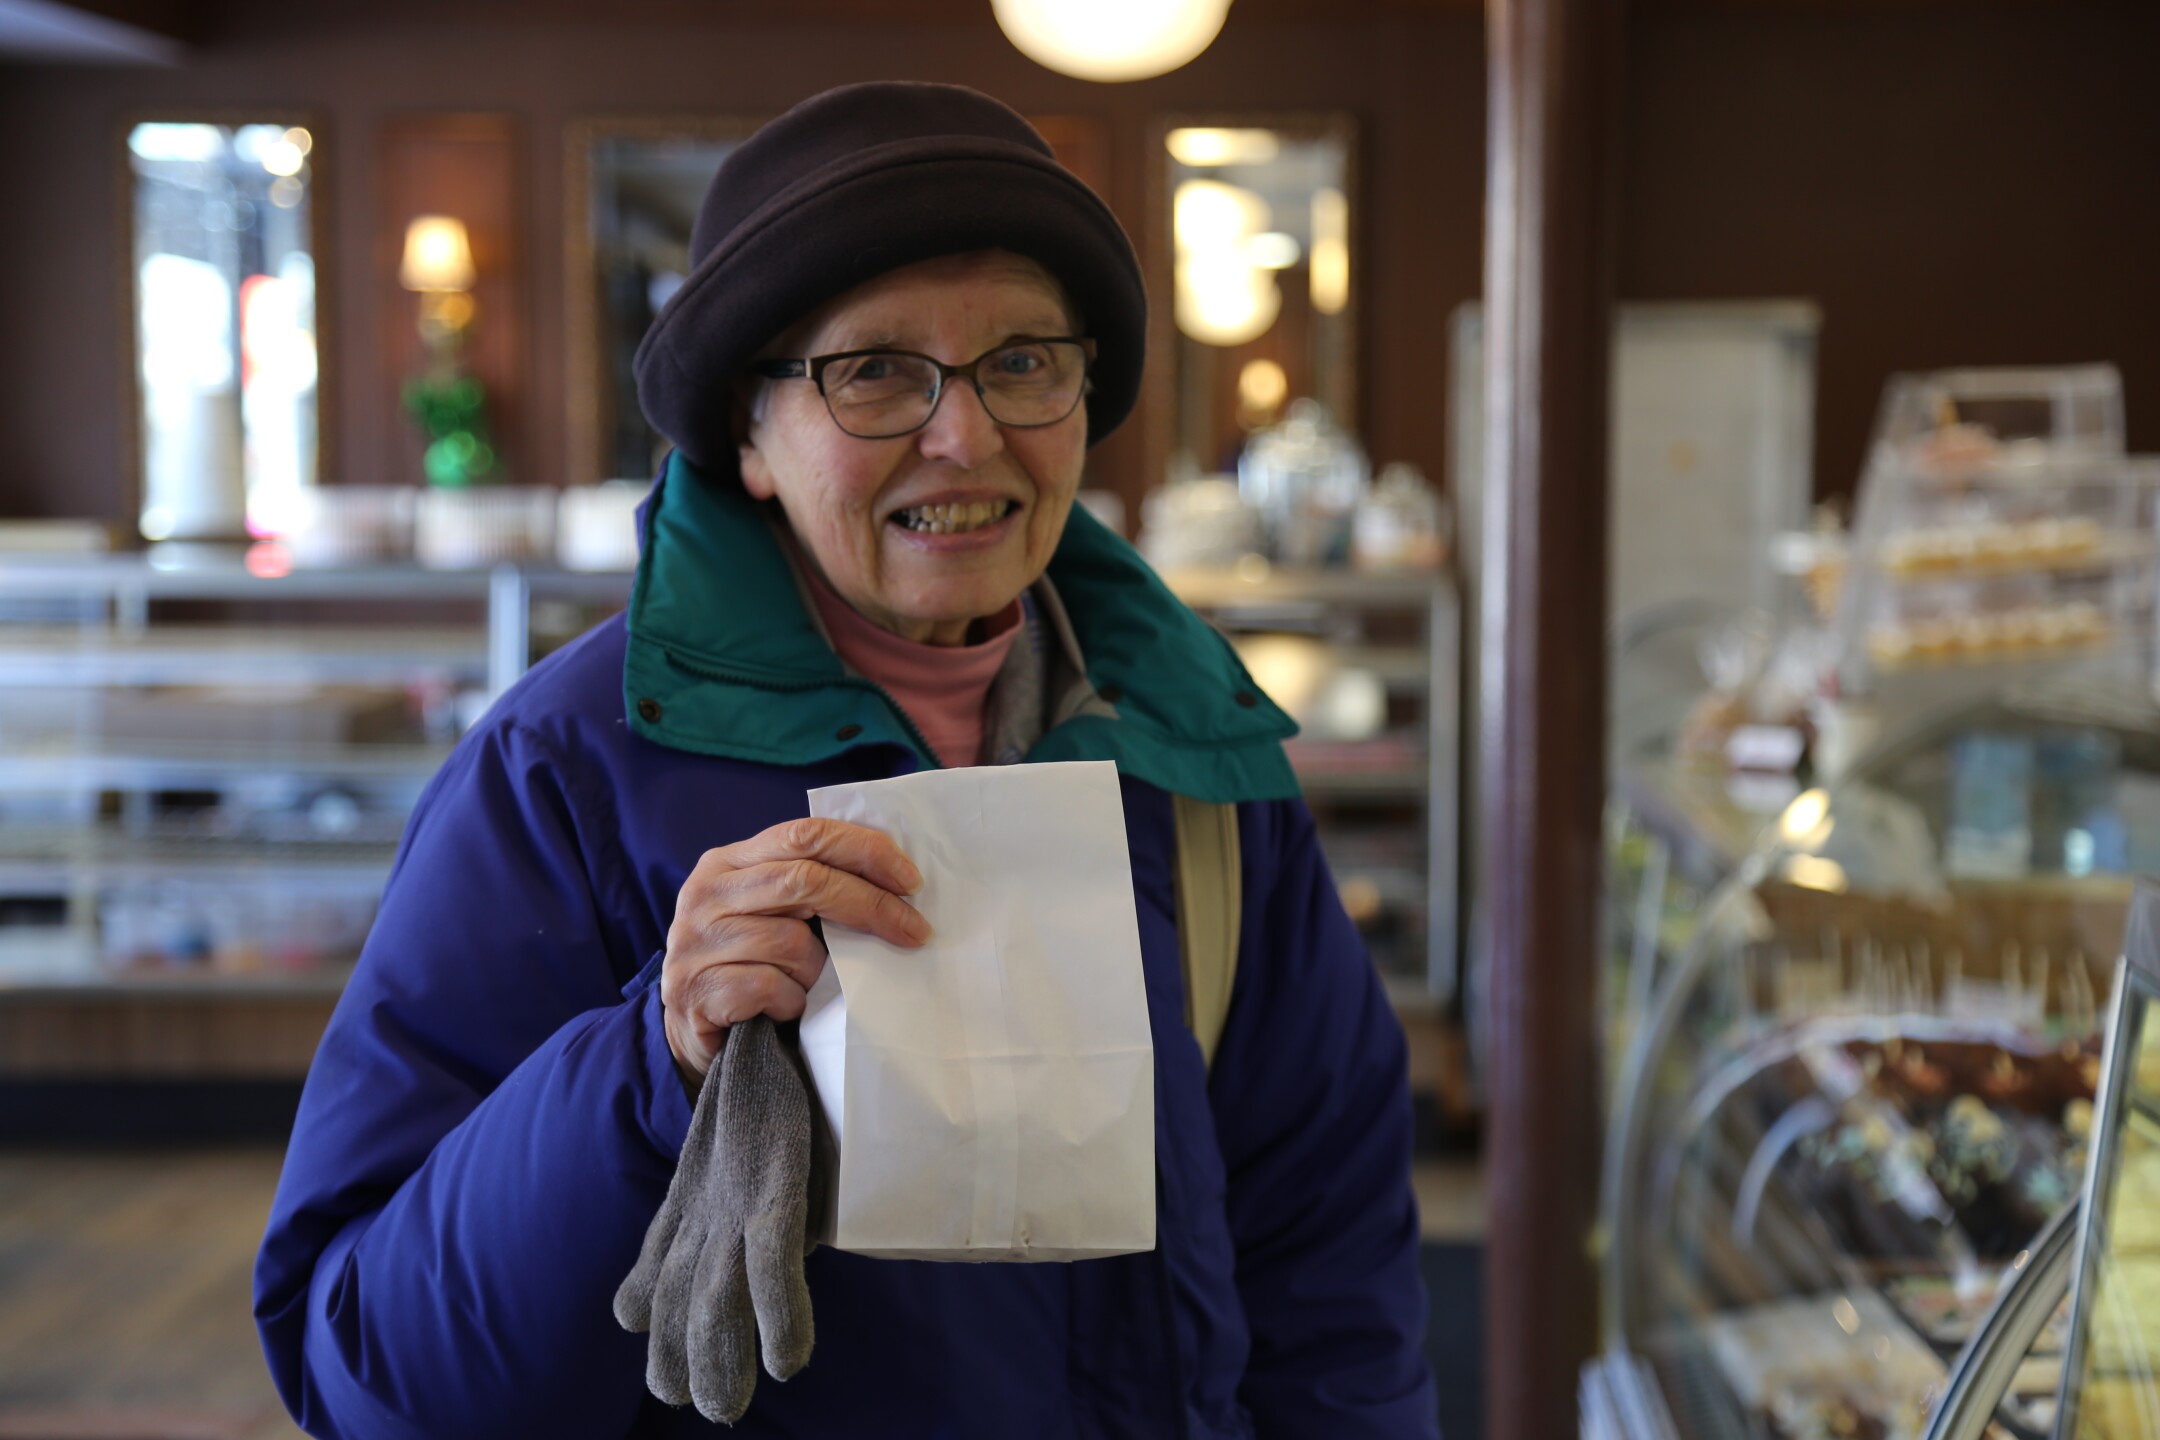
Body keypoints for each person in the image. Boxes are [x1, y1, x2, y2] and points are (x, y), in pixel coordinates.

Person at [254, 81, 1439, 1439]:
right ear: (748, 437)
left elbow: (1332, 1293)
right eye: (874, 369)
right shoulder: (564, 780)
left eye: (1024, 360)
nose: (966, 434)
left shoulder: (1199, 767)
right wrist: (650, 1063)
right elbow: (366, 1374)